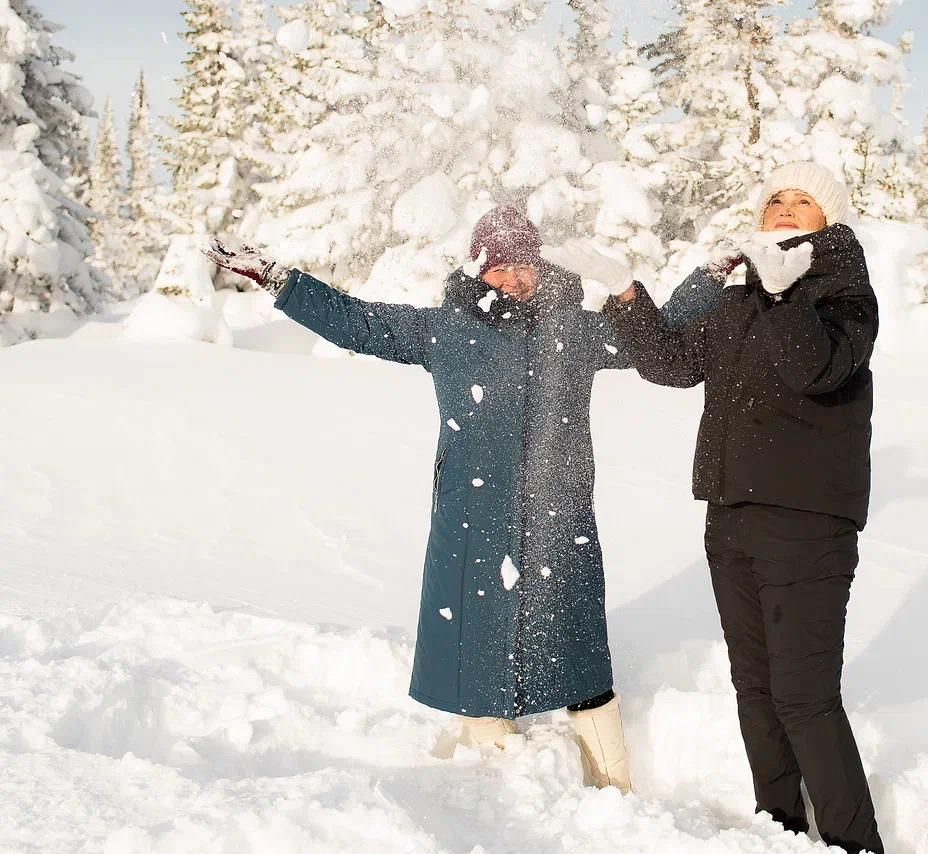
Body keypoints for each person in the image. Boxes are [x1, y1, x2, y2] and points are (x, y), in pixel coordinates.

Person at [204, 206, 647, 791]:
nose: (513, 278)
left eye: (524, 266)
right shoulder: (449, 330)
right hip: (475, 520)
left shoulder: (574, 331)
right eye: (500, 267)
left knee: (579, 652)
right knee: (479, 656)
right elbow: (355, 321)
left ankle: (614, 789)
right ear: (478, 270)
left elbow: (656, 341)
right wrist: (283, 282)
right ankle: (502, 791)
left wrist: (709, 281)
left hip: (557, 518)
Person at [542, 161, 885, 853]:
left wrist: (788, 299)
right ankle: (781, 830)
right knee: (755, 693)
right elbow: (670, 362)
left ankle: (855, 842)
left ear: (829, 217)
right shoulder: (738, 301)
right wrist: (623, 289)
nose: (785, 208)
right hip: (731, 518)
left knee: (804, 699)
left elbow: (812, 368)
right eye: (775, 198)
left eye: (803, 200)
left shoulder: (846, 296)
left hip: (808, 523)